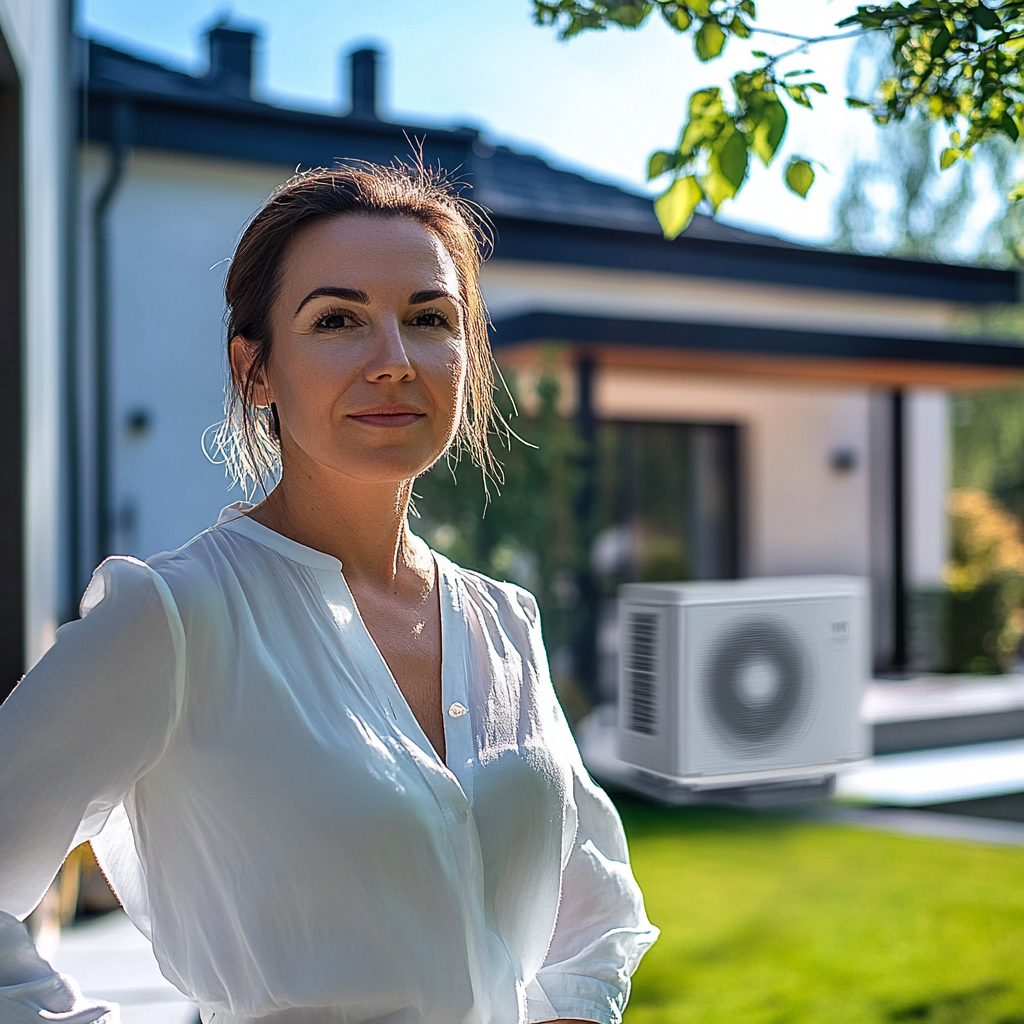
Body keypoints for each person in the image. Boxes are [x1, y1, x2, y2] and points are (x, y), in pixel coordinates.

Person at [0, 163, 657, 1024]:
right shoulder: (175, 617)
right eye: (338, 320)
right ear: (257, 370)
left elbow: (596, 904)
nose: (393, 360)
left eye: (429, 319)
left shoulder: (504, 622)